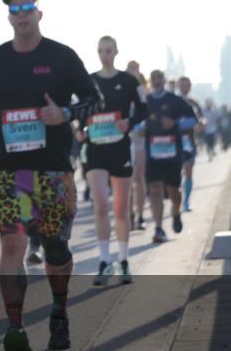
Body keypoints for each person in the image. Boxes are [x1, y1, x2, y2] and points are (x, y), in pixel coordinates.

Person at [0, 0, 101, 351]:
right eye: (14, 10)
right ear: (9, 17)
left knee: (54, 245)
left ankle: (59, 313)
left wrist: (64, 114)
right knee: (11, 243)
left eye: (27, 7)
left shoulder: (61, 56)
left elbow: (96, 100)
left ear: (39, 13)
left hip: (52, 169)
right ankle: (15, 325)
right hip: (6, 170)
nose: (21, 14)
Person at [79, 37, 147, 286]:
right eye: (100, 51)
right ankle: (104, 260)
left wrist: (129, 122)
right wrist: (79, 128)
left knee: (120, 208)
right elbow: (79, 110)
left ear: (116, 52)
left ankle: (124, 258)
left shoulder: (128, 81)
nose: (104, 55)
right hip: (95, 149)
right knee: (100, 206)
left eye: (109, 51)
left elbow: (143, 110)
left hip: (119, 148)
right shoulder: (89, 81)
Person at [143, 70, 198, 243]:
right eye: (154, 79)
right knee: (154, 189)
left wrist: (176, 124)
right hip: (152, 154)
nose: (157, 81)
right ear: (150, 82)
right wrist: (140, 129)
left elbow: (193, 119)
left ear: (164, 80)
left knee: (173, 190)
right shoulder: (145, 101)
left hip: (173, 153)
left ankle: (176, 211)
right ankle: (158, 228)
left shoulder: (175, 100)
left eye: (160, 78)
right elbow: (134, 122)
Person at [125, 61, 149, 230]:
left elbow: (147, 113)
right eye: (130, 68)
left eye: (136, 69)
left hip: (140, 138)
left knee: (138, 177)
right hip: (124, 138)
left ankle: (140, 215)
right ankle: (129, 214)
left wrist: (143, 127)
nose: (133, 71)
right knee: (127, 180)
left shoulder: (143, 91)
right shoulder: (120, 89)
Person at [176, 77, 204, 212]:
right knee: (176, 173)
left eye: (186, 85)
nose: (184, 87)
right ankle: (177, 200)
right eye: (182, 85)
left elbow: (201, 119)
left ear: (190, 86)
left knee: (188, 171)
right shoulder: (172, 101)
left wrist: (202, 124)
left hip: (190, 142)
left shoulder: (194, 103)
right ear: (178, 86)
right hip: (174, 142)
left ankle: (186, 202)